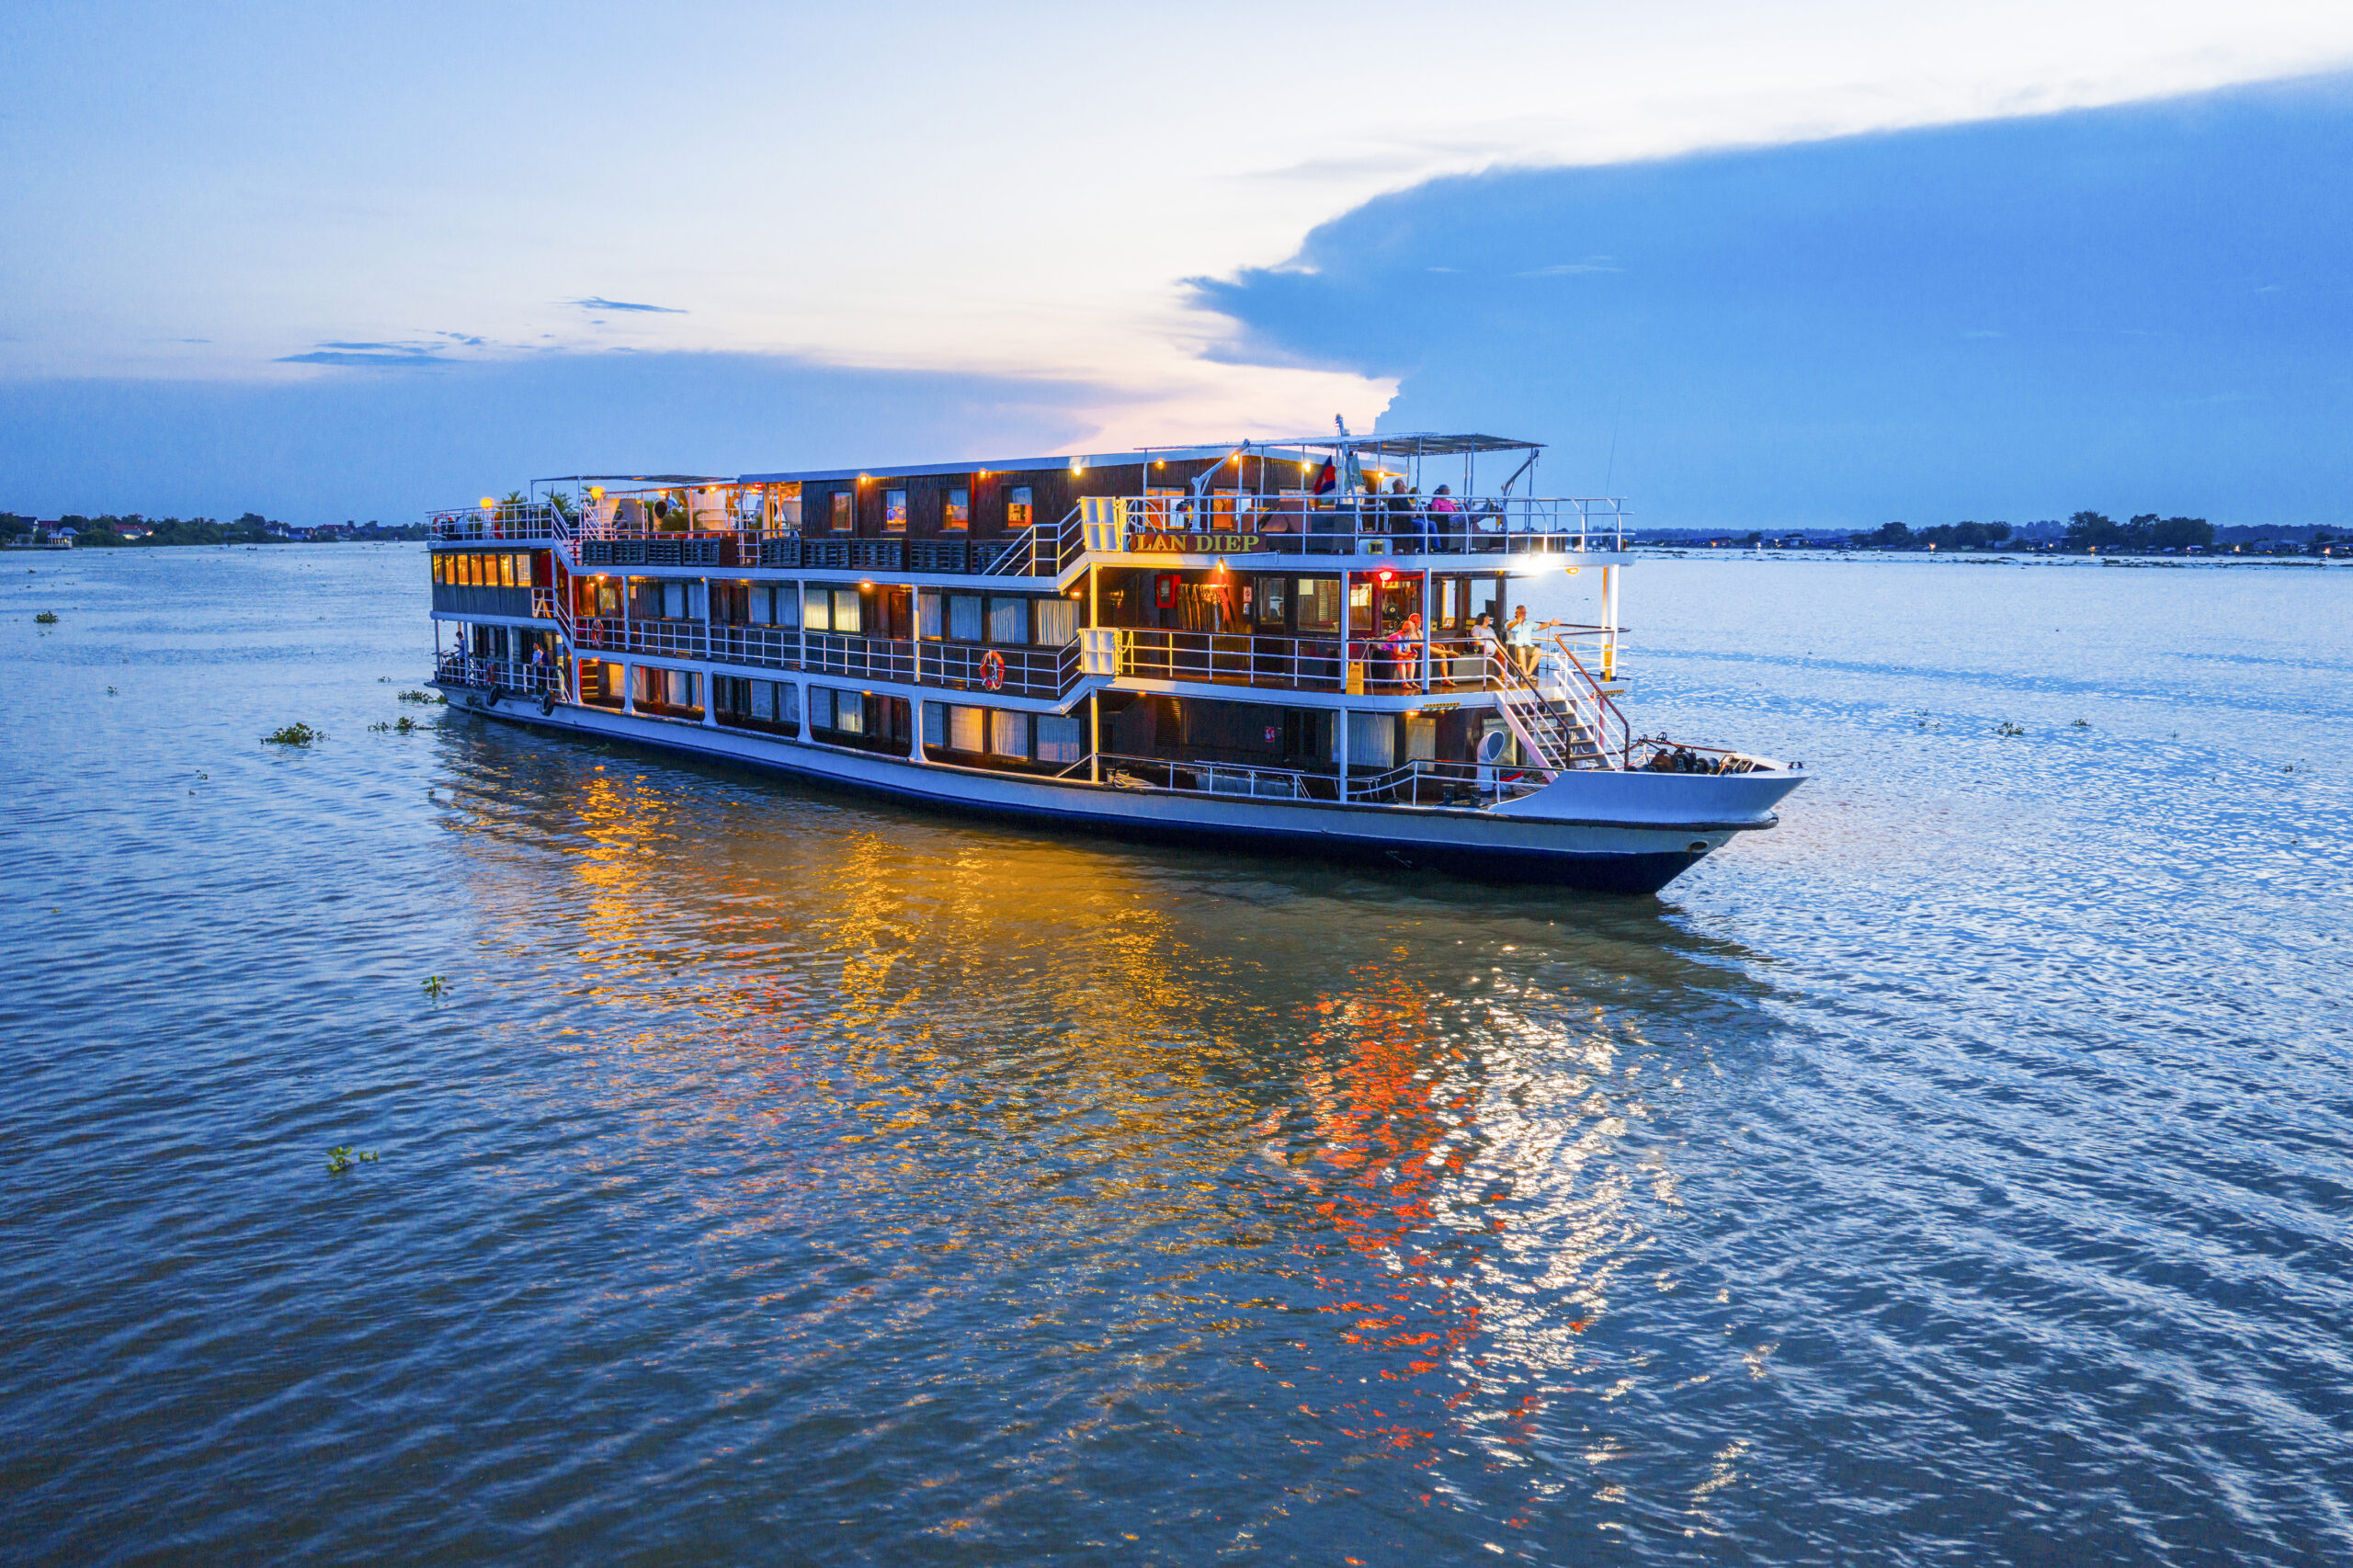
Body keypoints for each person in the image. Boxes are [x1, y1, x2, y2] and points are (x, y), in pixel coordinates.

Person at [1505, 604, 1540, 676]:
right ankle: (1525, 673)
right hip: (1515, 645)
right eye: (1521, 612)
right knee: (1522, 650)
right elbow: (1508, 627)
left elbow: (1539, 626)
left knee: (1538, 651)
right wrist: (1517, 622)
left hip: (1527, 645)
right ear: (1516, 613)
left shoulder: (1528, 622)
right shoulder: (1511, 622)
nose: (1523, 614)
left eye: (1524, 613)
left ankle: (1529, 673)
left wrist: (1550, 624)